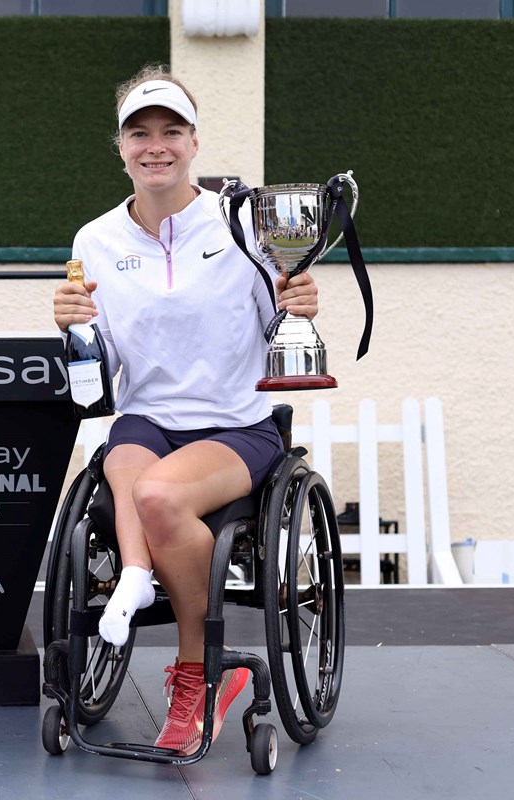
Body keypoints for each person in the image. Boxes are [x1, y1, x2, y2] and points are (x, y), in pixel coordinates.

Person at [51, 65, 319, 756]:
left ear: (194, 143)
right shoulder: (95, 240)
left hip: (236, 424)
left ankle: (201, 674)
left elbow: (277, 328)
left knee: (159, 496)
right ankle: (138, 574)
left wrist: (299, 306)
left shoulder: (246, 226)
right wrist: (74, 326)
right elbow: (99, 370)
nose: (156, 145)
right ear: (120, 148)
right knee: (130, 460)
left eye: (171, 130)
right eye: (140, 133)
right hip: (146, 418)